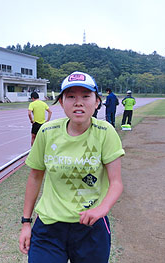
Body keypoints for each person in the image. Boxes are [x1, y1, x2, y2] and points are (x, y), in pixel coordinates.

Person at [19, 71, 125, 263]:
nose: (78, 102)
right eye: (71, 97)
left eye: (86, 96)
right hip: (49, 228)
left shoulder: (105, 133)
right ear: (61, 102)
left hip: (91, 228)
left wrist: (102, 209)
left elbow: (116, 182)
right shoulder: (47, 131)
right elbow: (35, 177)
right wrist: (26, 223)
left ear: (96, 102)